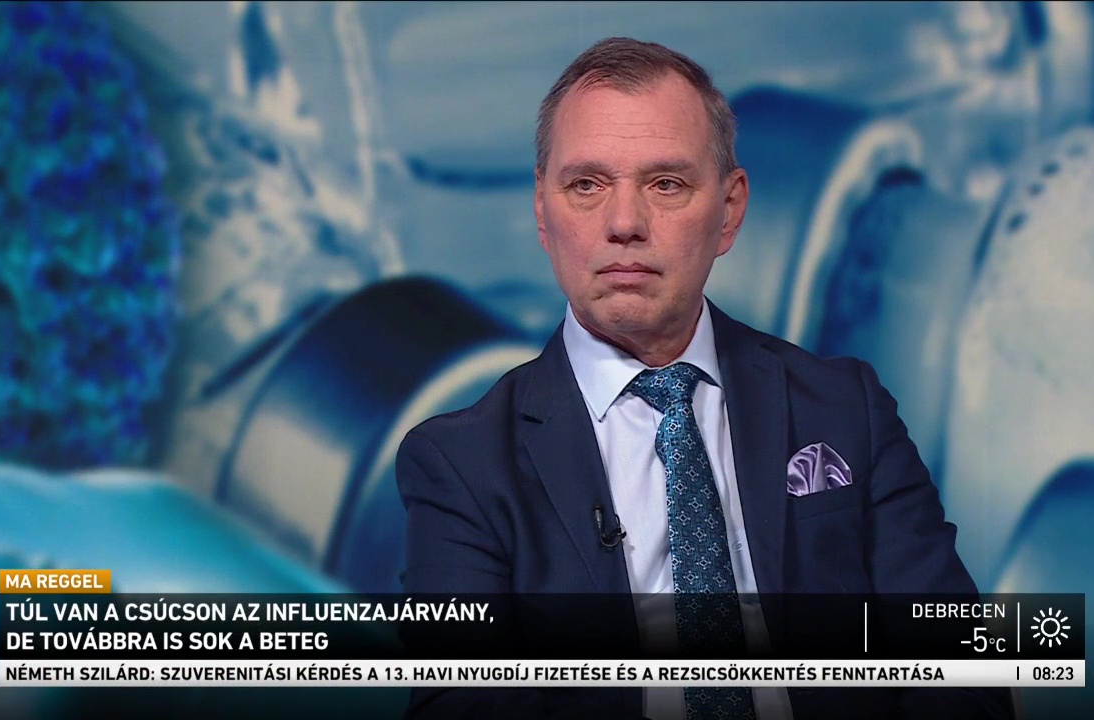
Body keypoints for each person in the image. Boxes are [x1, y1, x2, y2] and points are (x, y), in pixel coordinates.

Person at [395, 37, 1014, 720]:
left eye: (666, 184)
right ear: (543, 211)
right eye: (587, 186)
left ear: (729, 210)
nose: (624, 224)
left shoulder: (846, 409)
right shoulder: (461, 464)